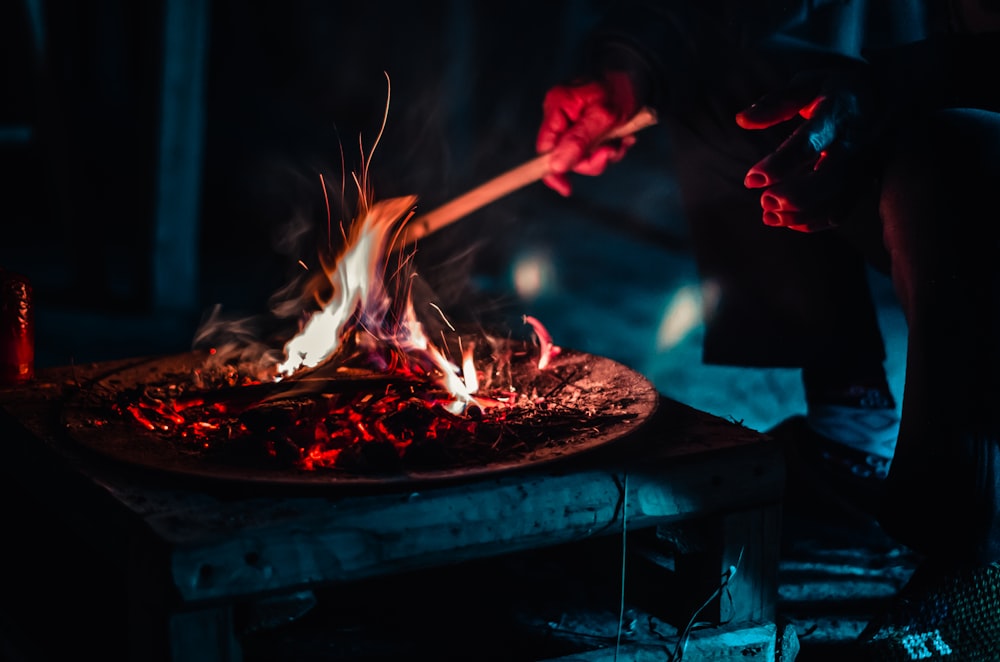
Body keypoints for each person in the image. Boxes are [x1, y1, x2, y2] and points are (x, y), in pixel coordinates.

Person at [534, 0, 1000, 657]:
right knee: (736, 82)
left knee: (957, 158)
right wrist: (626, 77)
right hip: (929, 94)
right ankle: (851, 434)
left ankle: (972, 563)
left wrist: (889, 92)